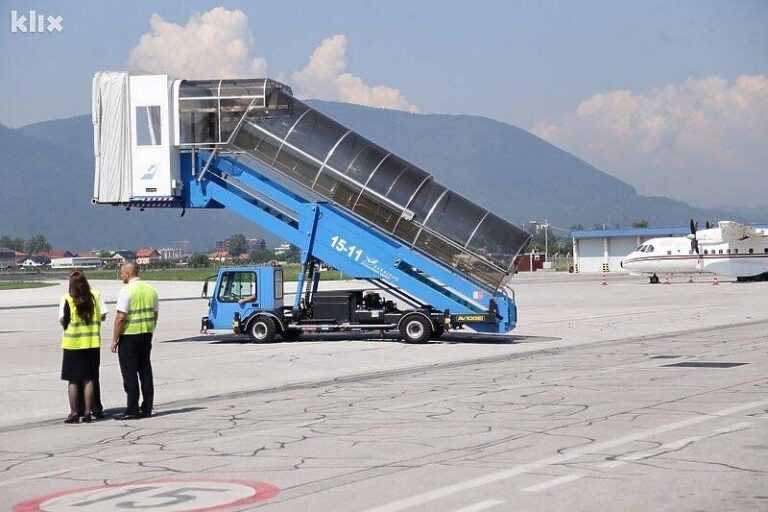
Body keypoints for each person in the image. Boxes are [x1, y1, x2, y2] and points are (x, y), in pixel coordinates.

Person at [112, 262, 159, 419]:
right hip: (146, 334)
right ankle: (147, 407)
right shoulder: (151, 289)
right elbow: (155, 314)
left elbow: (120, 317)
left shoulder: (127, 291)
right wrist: (150, 329)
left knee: (129, 374)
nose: (120, 275)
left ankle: (132, 409)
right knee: (145, 371)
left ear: (128, 273)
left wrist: (114, 339)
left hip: (130, 336)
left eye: (122, 273)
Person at [59, 271, 107, 424]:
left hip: (72, 345)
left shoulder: (66, 298)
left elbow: (62, 319)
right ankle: (88, 412)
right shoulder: (95, 295)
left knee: (73, 380)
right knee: (89, 379)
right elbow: (104, 315)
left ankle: (74, 412)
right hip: (91, 344)